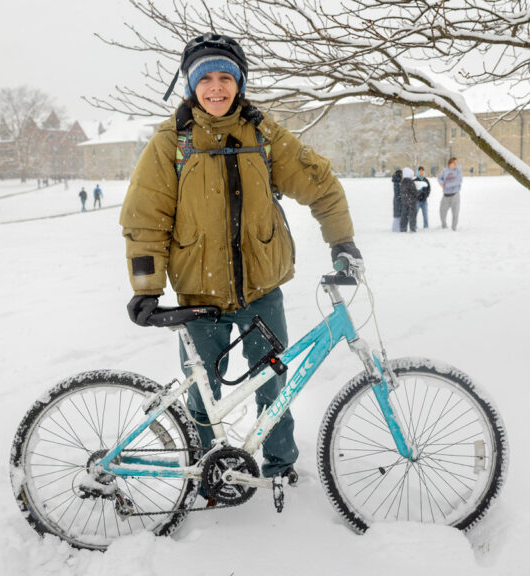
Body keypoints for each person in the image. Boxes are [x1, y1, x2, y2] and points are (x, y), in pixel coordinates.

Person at [120, 33, 360, 490]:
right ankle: (210, 469)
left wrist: (342, 241)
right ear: (191, 86)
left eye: (225, 77)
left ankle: (278, 466)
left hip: (260, 292)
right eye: (205, 78)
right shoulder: (172, 143)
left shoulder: (264, 134)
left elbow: (321, 183)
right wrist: (146, 287)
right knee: (203, 394)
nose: (216, 87)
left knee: (275, 387)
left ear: (240, 82)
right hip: (198, 294)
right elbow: (144, 218)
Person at [438, 157, 463, 230]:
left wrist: (447, 185)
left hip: (455, 195)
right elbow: (439, 178)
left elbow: (458, 181)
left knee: (455, 212)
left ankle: (454, 227)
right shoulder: (444, 171)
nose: (456, 164)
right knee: (442, 211)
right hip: (446, 195)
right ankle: (444, 225)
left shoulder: (458, 171)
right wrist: (442, 183)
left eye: (456, 163)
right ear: (450, 163)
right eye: (454, 163)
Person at [398, 167, 419, 233]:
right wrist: (420, 191)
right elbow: (414, 192)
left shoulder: (402, 182)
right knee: (412, 216)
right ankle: (412, 228)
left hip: (404, 202)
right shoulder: (410, 182)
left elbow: (402, 192)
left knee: (404, 215)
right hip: (411, 202)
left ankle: (403, 228)